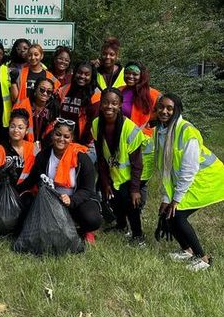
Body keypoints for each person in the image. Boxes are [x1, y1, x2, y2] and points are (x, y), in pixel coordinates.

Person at [153, 93, 224, 271]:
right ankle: (188, 251)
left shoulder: (187, 132)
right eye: (161, 107)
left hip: (208, 179)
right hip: (193, 179)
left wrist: (176, 200)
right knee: (169, 214)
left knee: (178, 214)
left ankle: (204, 259)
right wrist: (166, 197)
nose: (164, 111)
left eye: (169, 108)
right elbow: (166, 169)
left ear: (177, 110)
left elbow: (188, 170)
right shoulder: (161, 130)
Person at [22, 119, 102, 243]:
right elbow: (32, 179)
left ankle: (84, 230)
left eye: (66, 136)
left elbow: (87, 190)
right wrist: (14, 189)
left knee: (92, 219)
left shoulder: (82, 158)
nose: (61, 139)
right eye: (58, 134)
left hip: (77, 200)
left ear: (72, 139)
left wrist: (72, 200)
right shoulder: (43, 156)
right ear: (52, 134)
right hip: (51, 201)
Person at [92, 88, 148, 246]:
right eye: (106, 102)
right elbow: (101, 157)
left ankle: (138, 236)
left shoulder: (129, 128)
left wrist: (135, 189)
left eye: (114, 103)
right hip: (113, 172)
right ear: (101, 104)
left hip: (131, 175)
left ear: (120, 105)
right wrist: (105, 182)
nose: (109, 106)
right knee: (114, 200)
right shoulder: (96, 124)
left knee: (131, 203)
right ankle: (121, 226)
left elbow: (137, 163)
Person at [0, 108, 40, 217]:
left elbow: (39, 169)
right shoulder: (1, 148)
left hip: (24, 190)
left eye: (20, 127)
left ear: (26, 130)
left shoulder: (34, 148)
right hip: (3, 190)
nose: (16, 130)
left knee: (30, 203)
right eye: (13, 126)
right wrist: (3, 179)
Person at [57, 62, 101, 146]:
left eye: (87, 74)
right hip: (62, 139)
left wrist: (83, 144)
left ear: (92, 77)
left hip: (84, 142)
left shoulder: (96, 94)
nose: (82, 76)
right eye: (79, 73)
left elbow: (94, 123)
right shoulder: (65, 89)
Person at [14, 77, 57, 148]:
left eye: (49, 92)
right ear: (35, 89)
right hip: (23, 145)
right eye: (42, 90)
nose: (45, 93)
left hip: (44, 147)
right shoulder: (23, 105)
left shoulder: (53, 108)